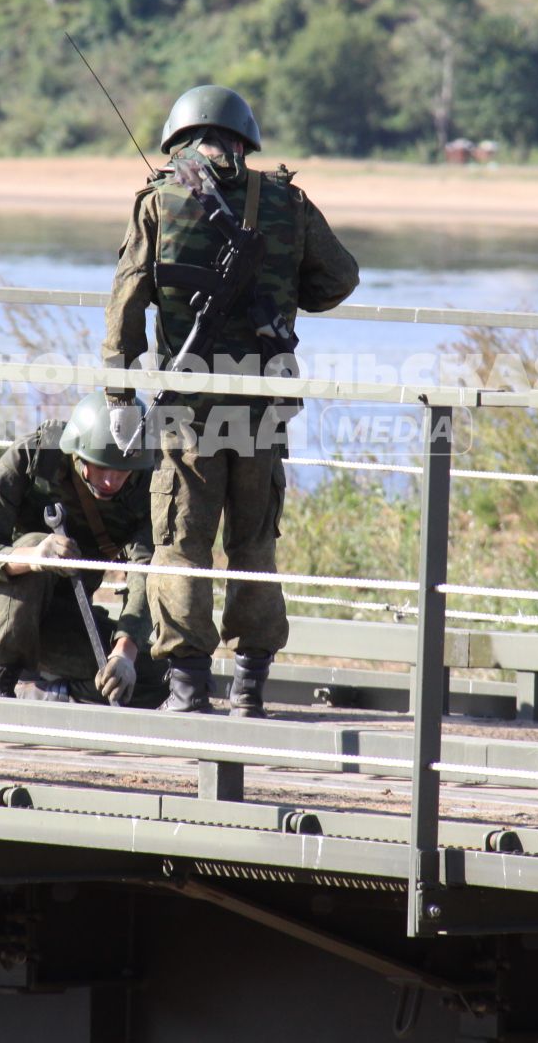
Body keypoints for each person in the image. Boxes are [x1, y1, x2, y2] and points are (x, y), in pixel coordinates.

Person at [101, 85, 360, 715]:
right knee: (254, 545)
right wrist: (284, 292)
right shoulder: (287, 202)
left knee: (180, 546)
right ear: (245, 141)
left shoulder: (158, 202)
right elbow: (340, 278)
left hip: (186, 412)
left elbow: (127, 303)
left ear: (179, 140)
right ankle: (249, 687)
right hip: (262, 408)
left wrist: (118, 393)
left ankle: (188, 690)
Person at [0, 392, 165, 707]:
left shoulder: (143, 487)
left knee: (160, 678)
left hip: (64, 618)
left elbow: (144, 572)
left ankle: (50, 692)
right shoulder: (33, 456)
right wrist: (33, 558)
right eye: (101, 467)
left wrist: (125, 650)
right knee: (33, 546)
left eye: (122, 471)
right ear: (78, 453)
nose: (111, 481)